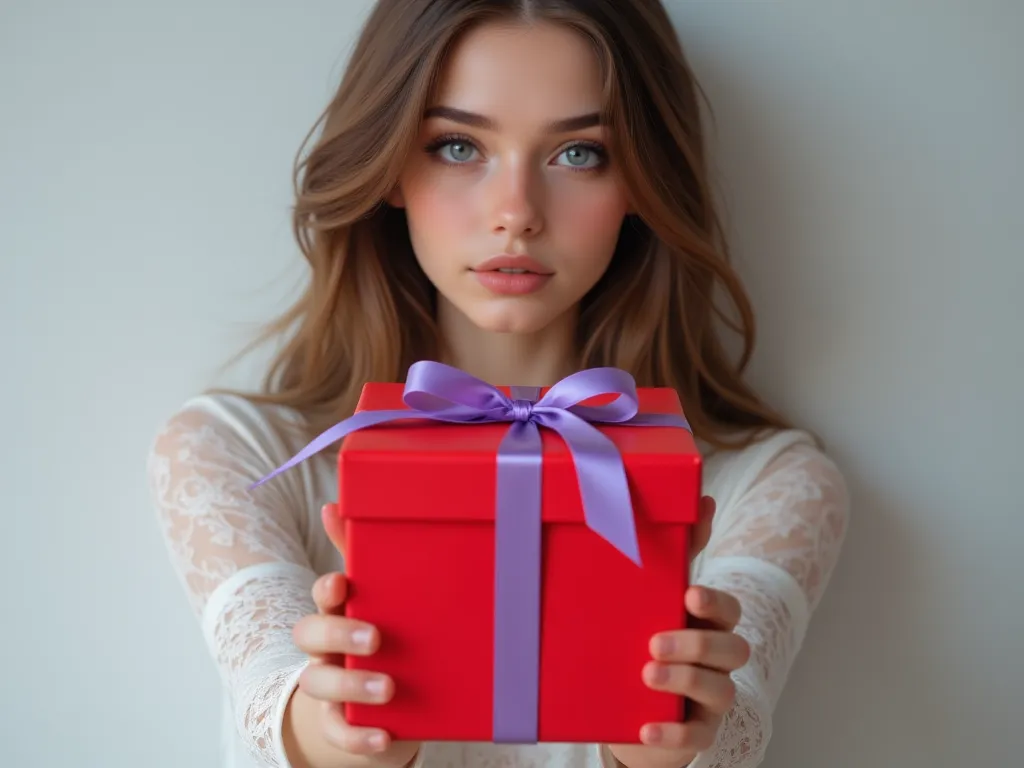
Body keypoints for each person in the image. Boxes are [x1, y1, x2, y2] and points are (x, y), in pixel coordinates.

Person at [147, 1, 849, 767]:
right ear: (389, 169)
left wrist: (670, 742)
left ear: (643, 182)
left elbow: (720, 730)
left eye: (580, 153)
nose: (516, 214)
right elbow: (271, 700)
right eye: (457, 146)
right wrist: (338, 733)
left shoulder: (771, 485)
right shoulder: (239, 458)